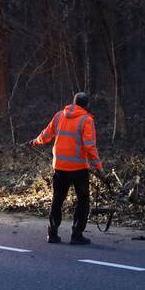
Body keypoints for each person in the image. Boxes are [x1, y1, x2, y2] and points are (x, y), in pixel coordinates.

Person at [29, 91, 105, 244]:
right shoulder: (86, 120)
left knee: (57, 200)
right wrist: (99, 168)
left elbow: (46, 135)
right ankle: (76, 235)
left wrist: (34, 142)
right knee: (83, 201)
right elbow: (90, 147)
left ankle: (52, 234)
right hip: (79, 169)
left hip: (60, 167)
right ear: (87, 105)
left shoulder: (59, 116)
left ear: (74, 102)